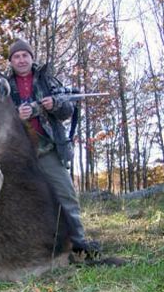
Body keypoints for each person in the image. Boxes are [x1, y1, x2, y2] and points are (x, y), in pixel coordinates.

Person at [6, 38, 102, 259]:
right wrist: (15, 116)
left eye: (25, 55)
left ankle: (78, 243)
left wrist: (55, 104)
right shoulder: (2, 86)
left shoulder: (47, 80)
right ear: (11, 61)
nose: (21, 60)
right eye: (16, 56)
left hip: (48, 149)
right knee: (20, 202)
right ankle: (26, 249)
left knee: (66, 194)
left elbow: (68, 110)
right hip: (19, 155)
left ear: (31, 57)